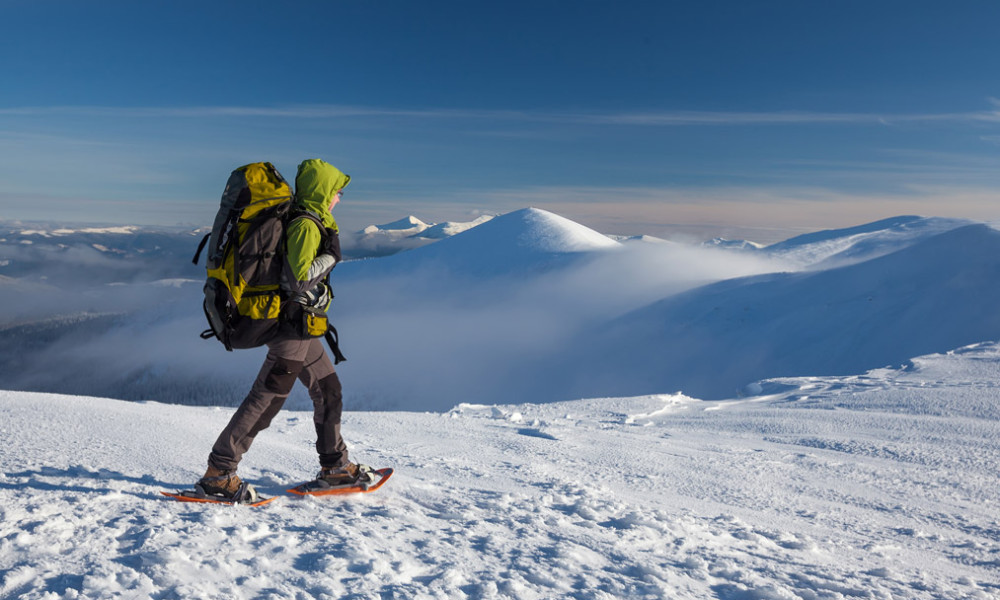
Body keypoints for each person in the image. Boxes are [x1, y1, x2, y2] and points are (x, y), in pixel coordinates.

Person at [196, 158, 363, 501]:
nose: (340, 198)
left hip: (301, 326)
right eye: (337, 191)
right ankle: (219, 472)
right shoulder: (306, 224)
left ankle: (335, 466)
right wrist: (332, 256)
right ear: (323, 190)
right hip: (290, 326)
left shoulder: (315, 221)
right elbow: (298, 278)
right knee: (267, 398)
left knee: (329, 390)